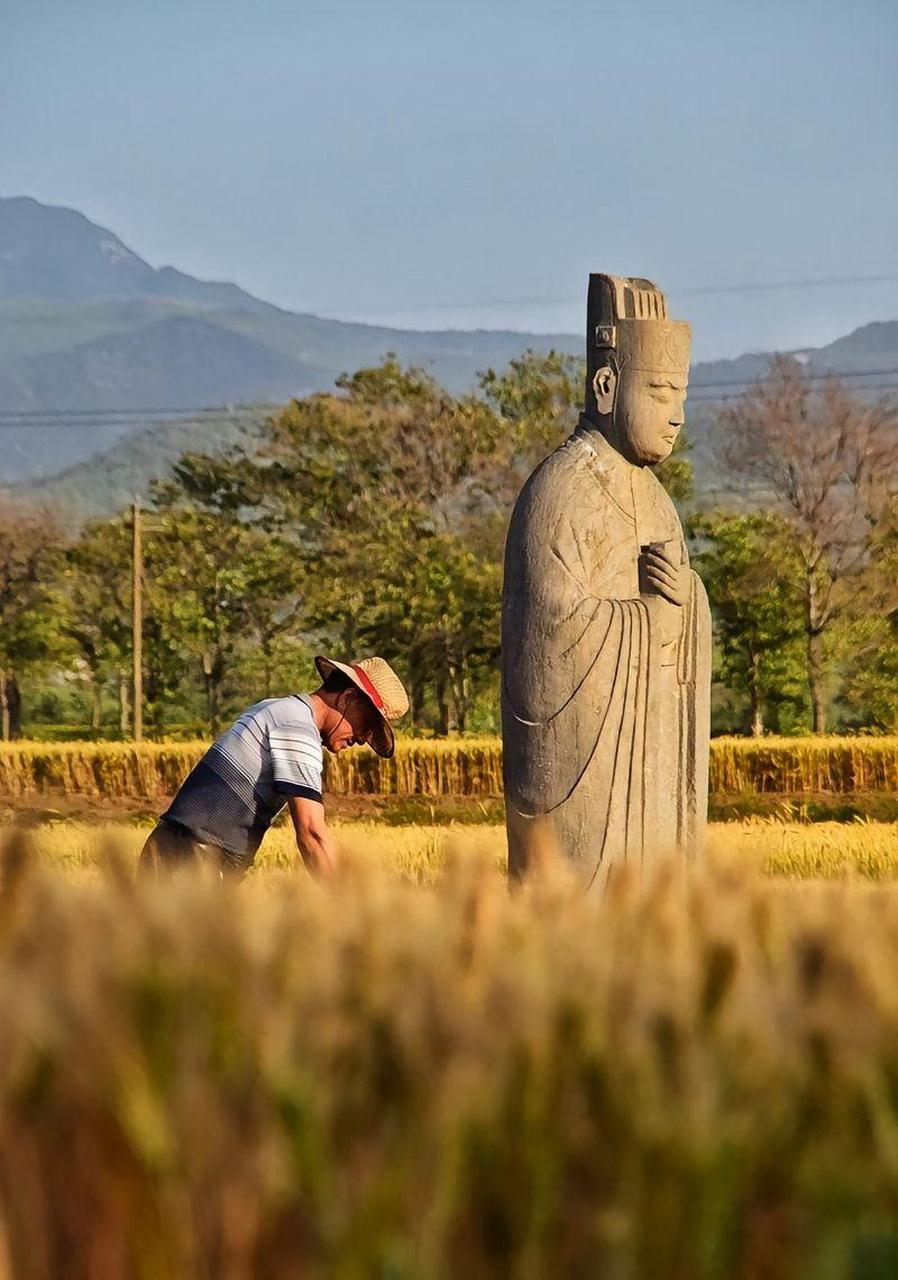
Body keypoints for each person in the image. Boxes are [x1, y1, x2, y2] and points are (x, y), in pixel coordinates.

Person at [138, 655, 408, 878]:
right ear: (348, 698)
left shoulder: (279, 709)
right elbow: (312, 834)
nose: (363, 738)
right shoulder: (297, 728)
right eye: (368, 723)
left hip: (179, 855)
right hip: (191, 863)